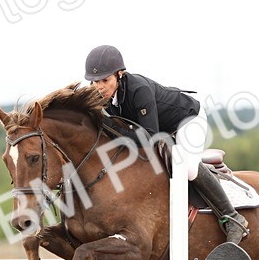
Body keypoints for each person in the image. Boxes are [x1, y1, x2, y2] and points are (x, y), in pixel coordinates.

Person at [83, 44, 249, 245]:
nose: (99, 87)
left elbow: (149, 138)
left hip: (187, 120)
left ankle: (232, 218)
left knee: (186, 166)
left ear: (120, 75)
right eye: (94, 82)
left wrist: (109, 126)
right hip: (163, 131)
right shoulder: (105, 97)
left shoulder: (139, 90)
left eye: (105, 80)